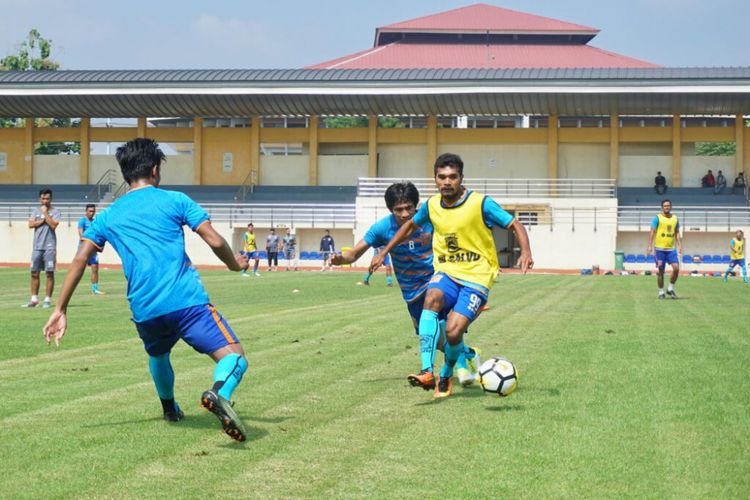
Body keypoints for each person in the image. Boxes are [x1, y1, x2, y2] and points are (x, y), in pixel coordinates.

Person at [43, 138, 251, 443]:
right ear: (154, 169)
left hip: (145, 309)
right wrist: (235, 265)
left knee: (158, 353)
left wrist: (60, 308)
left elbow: (79, 259)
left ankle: (169, 409)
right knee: (235, 358)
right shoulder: (175, 200)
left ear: (127, 172)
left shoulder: (108, 215)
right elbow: (216, 241)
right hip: (186, 303)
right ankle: (219, 393)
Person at [370, 154, 533, 398]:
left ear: (461, 178)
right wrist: (385, 251)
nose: (447, 182)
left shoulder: (480, 203)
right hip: (446, 272)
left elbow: (515, 225)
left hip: (477, 277)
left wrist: (526, 251)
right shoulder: (432, 205)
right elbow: (409, 226)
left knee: (454, 332)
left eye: (452, 177)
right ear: (435, 179)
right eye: (442, 177)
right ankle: (427, 371)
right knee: (432, 297)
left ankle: (446, 372)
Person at [333, 181, 480, 386]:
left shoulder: (431, 219)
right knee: (434, 339)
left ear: (416, 205)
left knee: (447, 327)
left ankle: (460, 367)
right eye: (398, 209)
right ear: (391, 210)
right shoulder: (382, 228)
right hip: (412, 292)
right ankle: (469, 353)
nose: (404, 214)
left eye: (408, 208)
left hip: (438, 280)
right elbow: (354, 254)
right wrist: (342, 259)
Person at [24, 188, 61, 308]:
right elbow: (30, 224)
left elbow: (54, 225)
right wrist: (43, 220)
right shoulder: (35, 211)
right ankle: (34, 299)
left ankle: (47, 300)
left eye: (47, 198)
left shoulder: (56, 211)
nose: (45, 201)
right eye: (43, 198)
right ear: (40, 199)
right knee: (34, 272)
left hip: (49, 247)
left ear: (51, 199)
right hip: (37, 247)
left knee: (49, 273)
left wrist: (45, 214)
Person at [646, 199, 683, 299]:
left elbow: (677, 232)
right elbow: (652, 232)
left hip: (671, 249)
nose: (667, 207)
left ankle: (670, 288)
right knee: (661, 271)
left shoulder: (675, 218)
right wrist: (649, 245)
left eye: (668, 205)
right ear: (662, 207)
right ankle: (661, 292)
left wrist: (680, 245)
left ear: (671, 207)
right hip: (659, 249)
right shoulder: (657, 218)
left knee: (676, 268)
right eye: (665, 206)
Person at [77, 204, 105, 295]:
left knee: (95, 268)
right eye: (90, 211)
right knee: (79, 269)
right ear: (86, 211)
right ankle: (73, 286)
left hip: (93, 249)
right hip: (83, 248)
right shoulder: (82, 221)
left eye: (93, 211)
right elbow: (81, 235)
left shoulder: (95, 222)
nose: (92, 213)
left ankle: (94, 289)